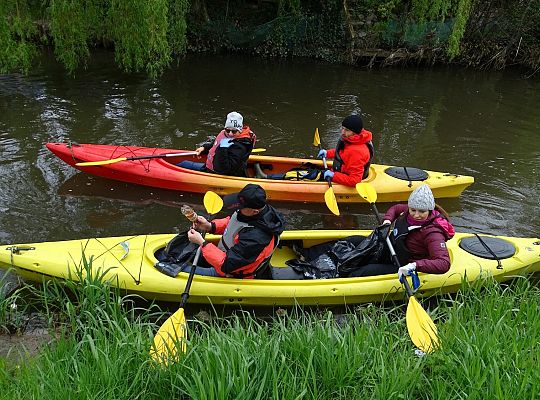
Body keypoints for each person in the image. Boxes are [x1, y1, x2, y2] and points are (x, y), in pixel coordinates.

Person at [348, 184, 455, 278]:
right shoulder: (407, 210)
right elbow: (395, 208)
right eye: (413, 210)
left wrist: (414, 266)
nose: (416, 215)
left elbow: (444, 263)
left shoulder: (433, 233)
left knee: (360, 272)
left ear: (430, 210)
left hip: (401, 264)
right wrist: (387, 221)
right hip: (389, 248)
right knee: (353, 241)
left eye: (422, 211)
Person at [185, 184, 285, 278]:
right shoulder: (252, 213)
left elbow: (227, 264)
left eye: (241, 207)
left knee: (177, 270)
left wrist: (203, 243)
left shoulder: (256, 238)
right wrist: (210, 226)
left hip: (229, 271)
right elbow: (233, 222)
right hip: (223, 256)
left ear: (254, 211)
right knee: (182, 254)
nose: (237, 208)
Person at [178, 111, 256, 177]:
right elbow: (216, 143)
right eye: (228, 130)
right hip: (209, 167)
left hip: (218, 174)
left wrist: (223, 148)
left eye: (234, 131)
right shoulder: (226, 135)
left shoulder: (240, 146)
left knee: (183, 165)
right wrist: (205, 148)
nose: (230, 134)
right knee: (183, 163)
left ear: (240, 130)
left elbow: (225, 169)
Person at [317, 114, 374, 186]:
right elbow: (343, 153)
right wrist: (327, 153)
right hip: (342, 171)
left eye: (347, 130)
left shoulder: (357, 152)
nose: (343, 132)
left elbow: (354, 180)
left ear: (355, 132)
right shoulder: (353, 140)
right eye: (342, 128)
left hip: (346, 177)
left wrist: (333, 176)